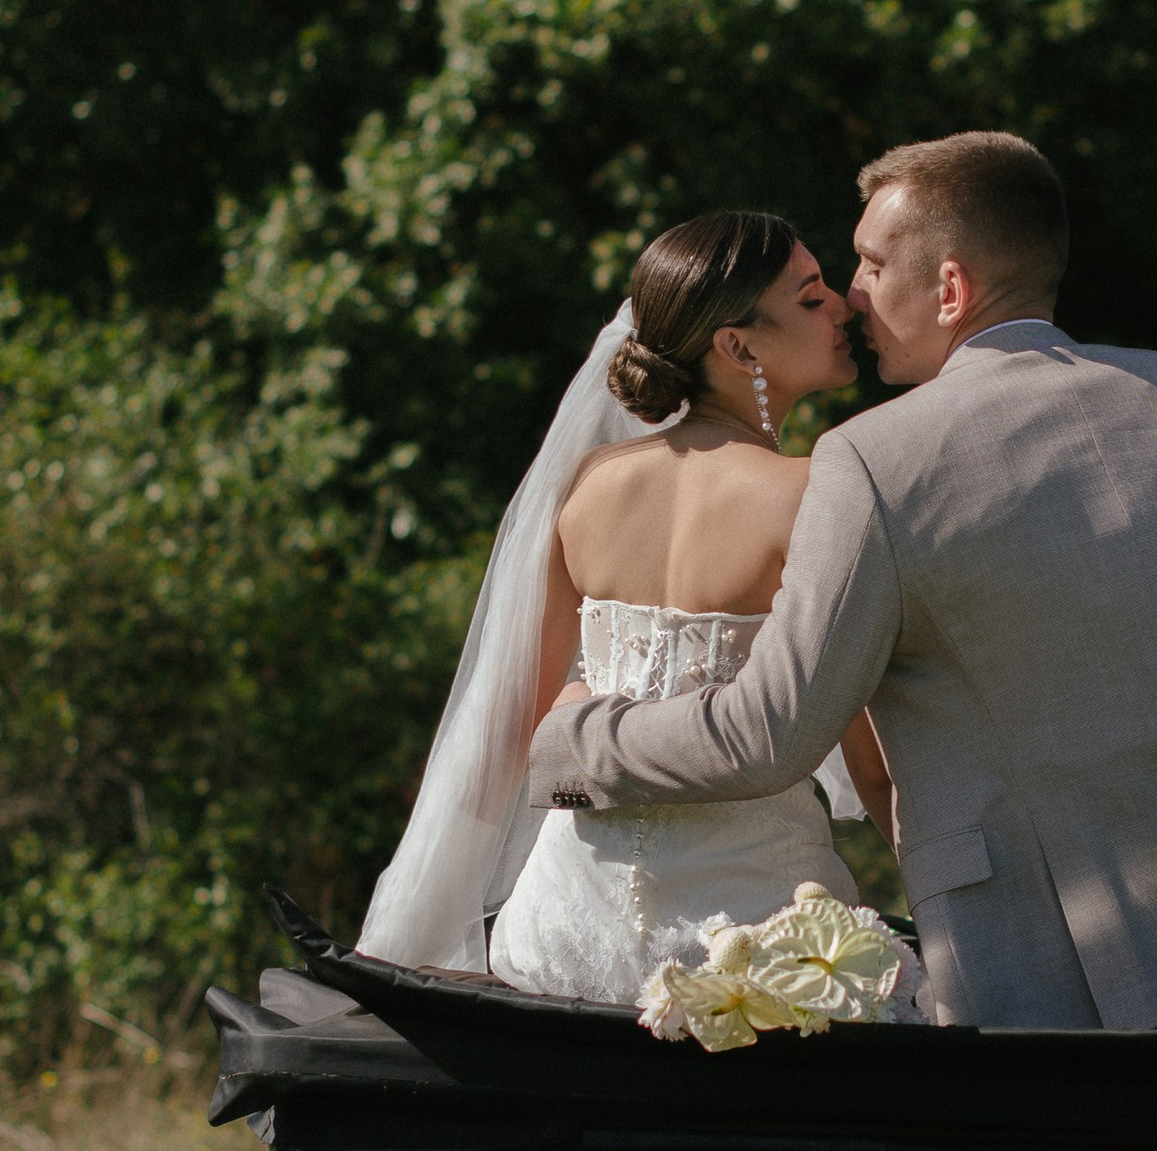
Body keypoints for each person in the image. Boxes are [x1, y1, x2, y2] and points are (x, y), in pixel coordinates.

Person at [537, 130, 1157, 1035]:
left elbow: (769, 731)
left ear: (949, 288)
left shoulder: (871, 463)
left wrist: (576, 738)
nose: (851, 292)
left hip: (1055, 978)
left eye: (870, 262)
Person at [359, 211, 899, 1004]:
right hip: (752, 935)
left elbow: (515, 727)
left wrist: (431, 906)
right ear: (737, 345)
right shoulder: (811, 496)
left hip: (567, 928)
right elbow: (873, 762)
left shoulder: (587, 485)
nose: (843, 307)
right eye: (811, 297)